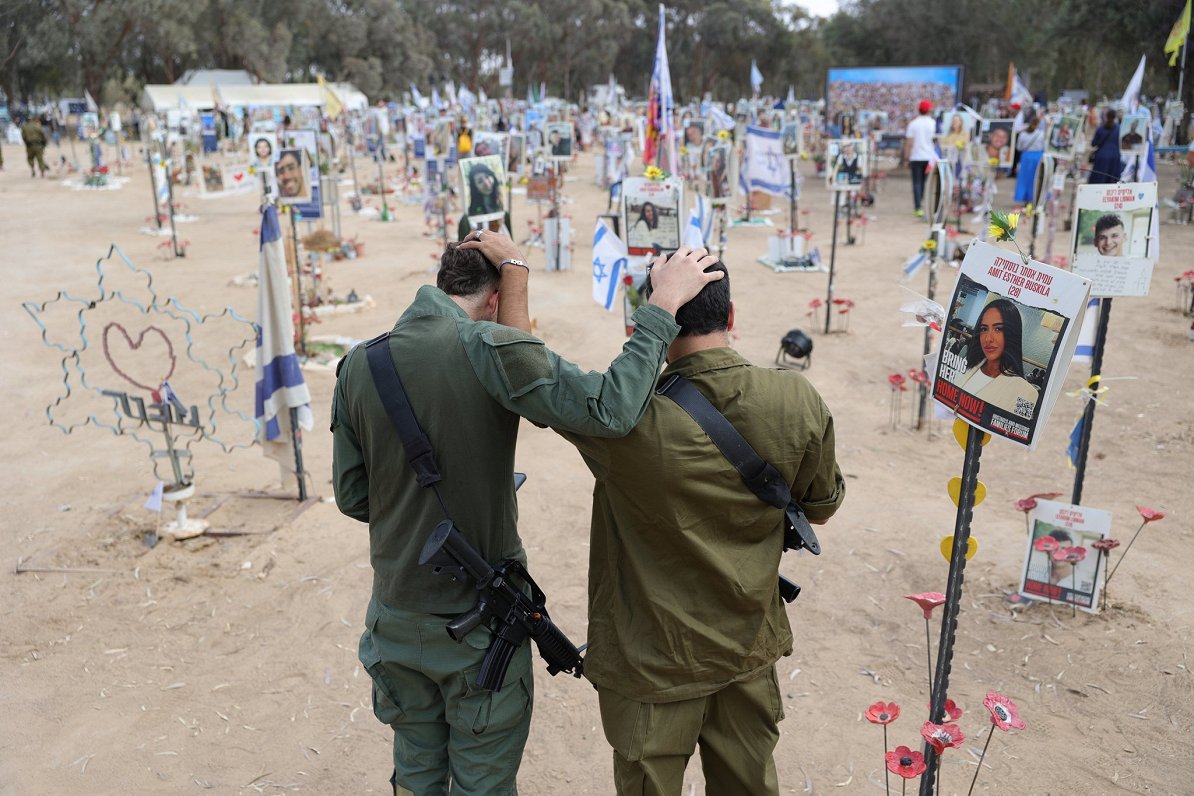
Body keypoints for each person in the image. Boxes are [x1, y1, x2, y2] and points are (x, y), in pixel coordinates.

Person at [331, 232, 722, 796]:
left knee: (415, 776)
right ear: (494, 301)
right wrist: (661, 309)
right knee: (483, 783)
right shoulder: (486, 349)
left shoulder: (359, 364)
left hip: (394, 621)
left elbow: (353, 497)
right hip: (474, 630)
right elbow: (610, 410)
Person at [555, 259, 845, 796]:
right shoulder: (796, 399)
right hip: (746, 648)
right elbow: (821, 507)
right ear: (731, 313)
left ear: (651, 321)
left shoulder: (620, 424)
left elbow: (528, 374)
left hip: (652, 665)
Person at [957, 299, 1039, 418]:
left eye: (998, 329)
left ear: (1012, 334)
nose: (988, 339)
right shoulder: (968, 366)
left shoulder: (1028, 393)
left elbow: (1017, 433)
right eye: (984, 329)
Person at [902, 99, 937, 217]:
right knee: (923, 182)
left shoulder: (913, 124)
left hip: (916, 157)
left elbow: (909, 143)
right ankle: (920, 203)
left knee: (916, 182)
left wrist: (906, 158)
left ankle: (918, 206)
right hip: (929, 157)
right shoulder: (933, 123)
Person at [1013, 112, 1045, 204]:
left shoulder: (1023, 134)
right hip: (1038, 157)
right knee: (1036, 178)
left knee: (1024, 179)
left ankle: (1025, 198)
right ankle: (1035, 197)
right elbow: (1044, 147)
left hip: (1026, 157)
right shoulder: (1041, 134)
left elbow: (1018, 147)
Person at [1088, 109, 1120, 184]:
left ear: (1106, 117)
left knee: (1098, 182)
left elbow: (1093, 143)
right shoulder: (1119, 129)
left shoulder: (1100, 129)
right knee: (1111, 183)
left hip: (1101, 157)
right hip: (1115, 158)